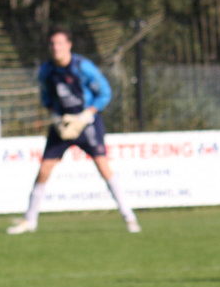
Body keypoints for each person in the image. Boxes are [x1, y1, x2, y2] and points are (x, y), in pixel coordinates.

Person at [8, 27, 140, 235]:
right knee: (44, 169)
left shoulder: (82, 66)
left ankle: (129, 217)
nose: (56, 48)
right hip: (62, 124)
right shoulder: (46, 70)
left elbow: (105, 92)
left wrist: (87, 114)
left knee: (103, 167)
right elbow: (46, 97)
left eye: (60, 43)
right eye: (52, 44)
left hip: (86, 123)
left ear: (69, 45)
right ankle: (30, 220)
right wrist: (55, 116)